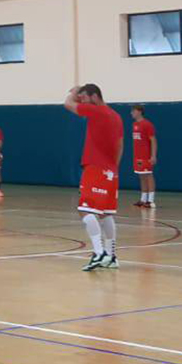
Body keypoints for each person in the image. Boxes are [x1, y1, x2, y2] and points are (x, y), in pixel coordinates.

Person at [64, 83, 124, 272]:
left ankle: (99, 253)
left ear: (94, 96)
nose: (81, 101)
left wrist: (74, 91)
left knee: (85, 210)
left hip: (96, 167)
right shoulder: (116, 116)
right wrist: (113, 168)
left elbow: (67, 104)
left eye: (84, 98)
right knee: (106, 213)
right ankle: (111, 256)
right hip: (110, 171)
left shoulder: (97, 112)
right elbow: (120, 145)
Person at [131, 105, 157, 208]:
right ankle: (143, 199)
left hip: (146, 156)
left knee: (148, 176)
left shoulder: (147, 124)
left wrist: (153, 156)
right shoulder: (134, 124)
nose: (131, 113)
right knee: (141, 176)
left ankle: (150, 201)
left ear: (139, 112)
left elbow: (153, 140)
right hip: (137, 156)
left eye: (133, 111)